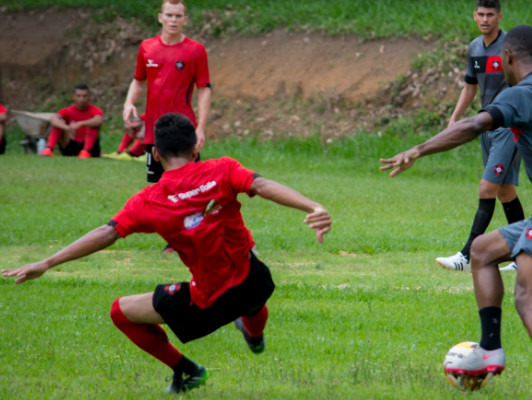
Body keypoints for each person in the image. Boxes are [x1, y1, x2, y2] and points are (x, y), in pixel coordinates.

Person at [3, 113, 333, 394]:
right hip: (255, 281)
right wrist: (313, 206)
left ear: (155, 155)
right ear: (197, 146)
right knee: (252, 288)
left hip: (210, 302)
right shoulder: (222, 169)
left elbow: (107, 233)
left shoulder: (150, 200)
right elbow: (261, 185)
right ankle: (254, 334)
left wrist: (46, 262)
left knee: (120, 312)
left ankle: (189, 370)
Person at [380, 25, 532, 400]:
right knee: (482, 251)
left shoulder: (518, 95)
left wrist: (418, 150)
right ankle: (490, 348)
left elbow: (473, 124)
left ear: (507, 59)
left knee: (528, 299)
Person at [436, 0, 524, 273]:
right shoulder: (474, 48)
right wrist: (454, 119)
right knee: (505, 193)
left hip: (508, 128)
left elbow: (524, 85)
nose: (485, 19)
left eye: (490, 15)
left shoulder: (511, 46)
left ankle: (465, 256)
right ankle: (523, 259)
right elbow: (470, 87)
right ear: (474, 16)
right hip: (486, 127)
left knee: (487, 189)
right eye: (481, 15)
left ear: (499, 16)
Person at [123, 0, 211, 183]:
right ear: (160, 18)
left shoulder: (196, 50)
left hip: (184, 127)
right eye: (169, 15)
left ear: (185, 20)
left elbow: (204, 89)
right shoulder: (147, 47)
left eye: (178, 16)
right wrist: (129, 103)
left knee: (191, 185)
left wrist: (201, 128)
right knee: (157, 187)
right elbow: (138, 81)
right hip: (155, 130)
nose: (173, 20)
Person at [39, 83, 104, 158]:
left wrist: (81, 124)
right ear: (73, 96)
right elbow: (53, 119)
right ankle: (49, 149)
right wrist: (67, 128)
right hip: (71, 145)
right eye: (78, 96)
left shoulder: (96, 110)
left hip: (90, 147)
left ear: (89, 97)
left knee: (93, 125)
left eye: (84, 96)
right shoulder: (68, 110)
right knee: (59, 123)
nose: (81, 99)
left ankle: (86, 151)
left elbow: (99, 120)